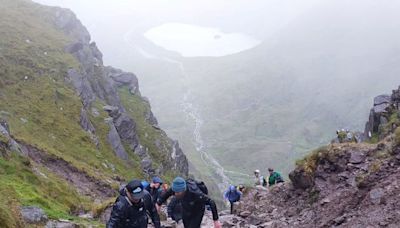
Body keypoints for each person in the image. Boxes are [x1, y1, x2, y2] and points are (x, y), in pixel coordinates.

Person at [156, 177, 221, 228]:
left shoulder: (195, 192)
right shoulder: (175, 189)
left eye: (178, 192)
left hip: (197, 209)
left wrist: (216, 220)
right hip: (186, 208)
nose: (175, 194)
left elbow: (211, 202)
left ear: (184, 190)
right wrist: (158, 204)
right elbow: (165, 195)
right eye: (174, 192)